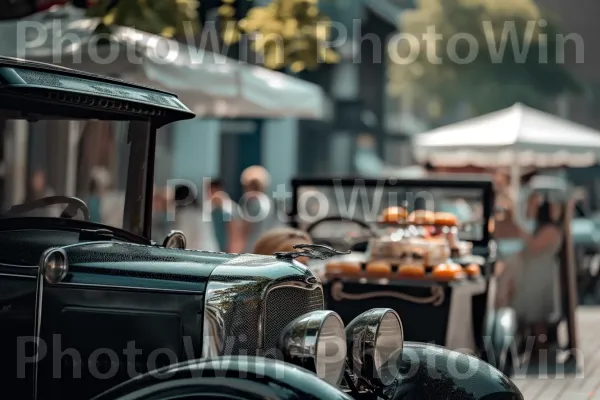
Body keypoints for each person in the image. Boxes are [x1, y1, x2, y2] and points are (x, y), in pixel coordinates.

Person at [510, 198, 563, 356]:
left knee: (539, 316)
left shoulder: (550, 230)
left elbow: (533, 246)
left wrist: (520, 228)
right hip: (535, 275)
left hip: (542, 276)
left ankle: (541, 351)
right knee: (533, 315)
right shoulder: (539, 228)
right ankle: (535, 350)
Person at [235, 166, 280, 253]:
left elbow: (244, 229)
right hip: (265, 247)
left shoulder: (251, 202)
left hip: (251, 249)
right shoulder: (268, 202)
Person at [206, 179, 234, 252]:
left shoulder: (229, 209)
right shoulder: (208, 209)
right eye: (210, 191)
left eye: (214, 191)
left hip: (226, 251)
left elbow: (233, 231)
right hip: (211, 249)